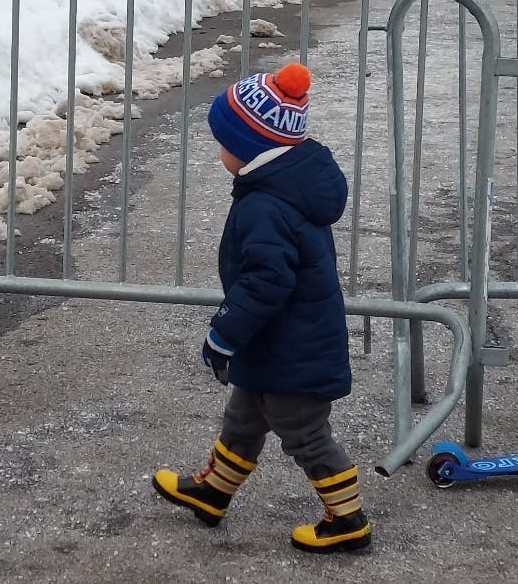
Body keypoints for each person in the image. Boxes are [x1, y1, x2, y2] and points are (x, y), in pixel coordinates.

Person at [152, 61, 371, 554]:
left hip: (293, 350)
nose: (219, 152)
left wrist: (223, 333)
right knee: (245, 420)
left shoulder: (264, 207)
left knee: (306, 436)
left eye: (224, 142)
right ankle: (213, 492)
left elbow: (266, 282)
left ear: (252, 149)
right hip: (279, 345)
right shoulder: (283, 187)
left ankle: (347, 518)